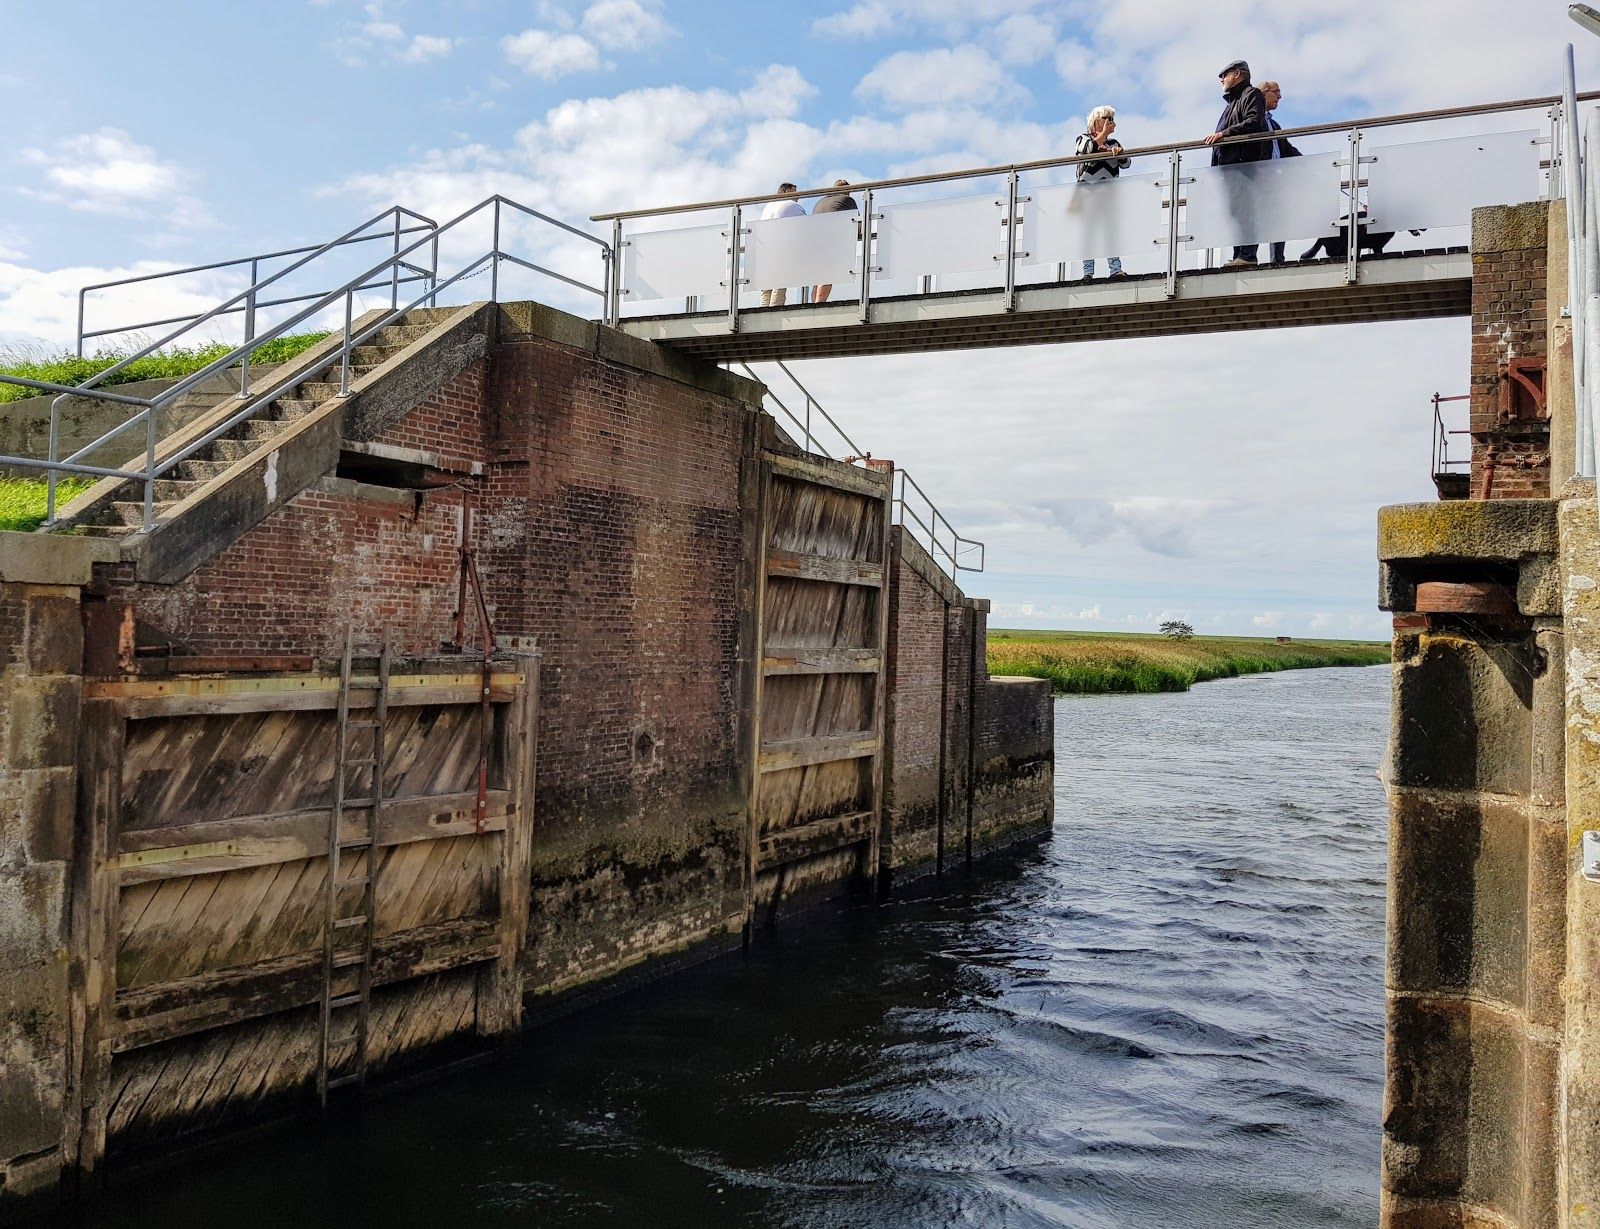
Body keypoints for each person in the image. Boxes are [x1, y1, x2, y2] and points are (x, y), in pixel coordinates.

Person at [1202, 59, 1270, 267]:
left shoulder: (1252, 94)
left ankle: (1248, 255)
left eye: (1225, 74)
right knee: (1236, 211)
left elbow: (1253, 122)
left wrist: (1224, 133)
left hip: (1243, 164)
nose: (1222, 79)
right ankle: (1239, 254)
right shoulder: (1233, 102)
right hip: (1230, 166)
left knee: (1245, 210)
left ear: (1238, 74)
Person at [1075, 105, 1133, 280]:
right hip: (1087, 194)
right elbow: (1089, 149)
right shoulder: (1083, 138)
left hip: (1109, 194)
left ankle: (1115, 269)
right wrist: (1103, 136)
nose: (1110, 122)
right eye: (1106, 119)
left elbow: (1126, 163)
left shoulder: (1114, 143)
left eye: (1112, 119)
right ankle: (1087, 273)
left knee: (1110, 231)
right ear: (1095, 121)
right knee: (1089, 232)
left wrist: (1119, 153)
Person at [1259, 80, 1302, 263]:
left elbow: (1286, 148)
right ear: (1263, 94)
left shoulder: (1274, 125)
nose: (1280, 96)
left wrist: (1306, 162)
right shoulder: (1255, 121)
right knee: (1258, 217)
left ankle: (1277, 259)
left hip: (1275, 178)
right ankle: (1247, 256)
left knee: (1278, 216)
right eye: (1276, 92)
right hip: (1259, 175)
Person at [810, 179, 859, 303]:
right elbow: (858, 223)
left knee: (818, 276)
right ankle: (819, 304)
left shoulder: (821, 201)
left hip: (812, 240)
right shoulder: (847, 200)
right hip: (830, 239)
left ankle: (813, 303)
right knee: (828, 274)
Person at [760, 183, 805, 306]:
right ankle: (774, 313)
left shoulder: (768, 206)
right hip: (782, 247)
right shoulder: (793, 205)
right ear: (786, 192)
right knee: (779, 283)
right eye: (795, 192)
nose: (798, 195)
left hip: (763, 247)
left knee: (766, 286)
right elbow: (805, 225)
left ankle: (764, 312)